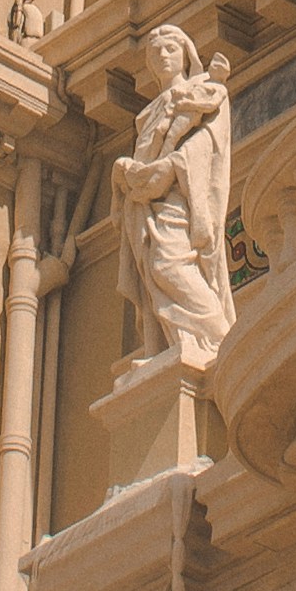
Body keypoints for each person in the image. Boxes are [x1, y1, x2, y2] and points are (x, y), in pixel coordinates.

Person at [113, 23, 234, 368]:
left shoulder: (206, 92)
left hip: (179, 196)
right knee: (153, 270)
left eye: (170, 49)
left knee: (168, 265)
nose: (163, 57)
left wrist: (171, 168)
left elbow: (208, 144)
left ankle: (219, 336)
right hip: (145, 202)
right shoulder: (146, 115)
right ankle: (171, 346)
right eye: (155, 53)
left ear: (185, 54)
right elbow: (144, 158)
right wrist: (130, 175)